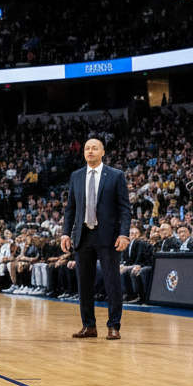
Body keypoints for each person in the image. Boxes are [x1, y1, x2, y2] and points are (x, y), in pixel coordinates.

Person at [61, 138, 131, 340]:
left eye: (94, 148)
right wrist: (66, 233)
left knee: (112, 282)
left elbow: (125, 208)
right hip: (83, 235)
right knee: (84, 284)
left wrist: (124, 233)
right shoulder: (76, 176)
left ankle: (114, 325)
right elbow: (70, 209)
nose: (90, 151)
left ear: (103, 152)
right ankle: (89, 325)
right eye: (87, 148)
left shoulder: (116, 175)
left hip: (108, 235)